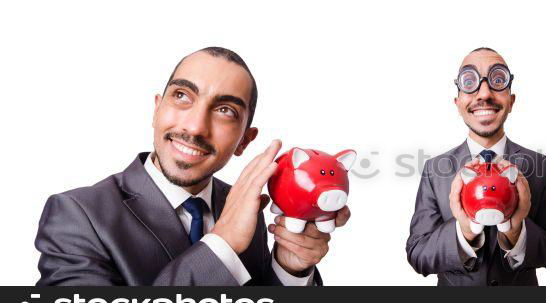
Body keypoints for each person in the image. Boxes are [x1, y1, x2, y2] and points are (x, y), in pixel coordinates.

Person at [35, 47, 347, 286]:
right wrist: (221, 245)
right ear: (157, 110)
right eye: (182, 96)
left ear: (245, 141)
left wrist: (291, 267)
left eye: (225, 110)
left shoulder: (244, 206)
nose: (196, 127)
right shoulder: (77, 214)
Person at [406, 47, 546, 286]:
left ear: (511, 101)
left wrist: (516, 233)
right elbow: (418, 255)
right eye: (470, 82)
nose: (484, 93)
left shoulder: (539, 166)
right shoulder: (435, 169)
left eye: (498, 80)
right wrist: (464, 231)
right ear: (458, 102)